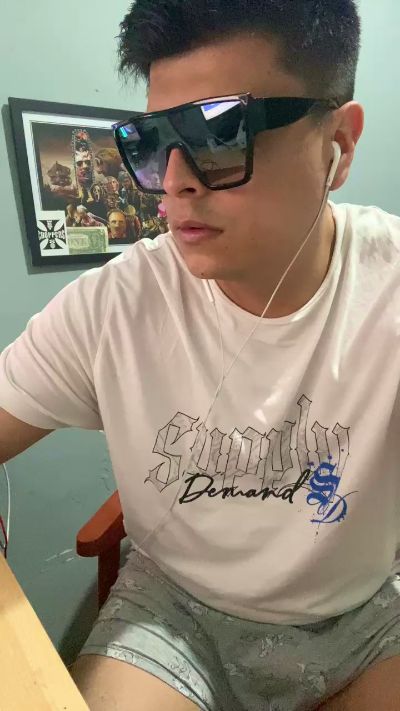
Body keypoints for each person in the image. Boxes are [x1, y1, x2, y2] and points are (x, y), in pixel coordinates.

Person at [1, 2, 400, 710]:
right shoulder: (116, 304)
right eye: (153, 141)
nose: (175, 181)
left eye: (219, 132)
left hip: (366, 619)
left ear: (337, 143)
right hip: (175, 614)